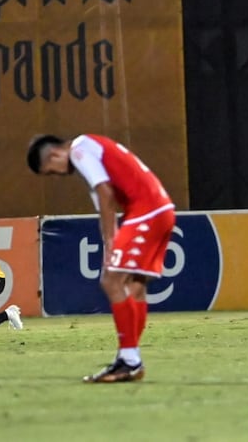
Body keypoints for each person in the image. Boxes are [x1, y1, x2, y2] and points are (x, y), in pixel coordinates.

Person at [27, 134, 175, 382]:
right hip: (162, 209)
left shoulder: (79, 149)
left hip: (145, 211)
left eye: (51, 171)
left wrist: (110, 242)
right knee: (135, 287)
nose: (58, 175)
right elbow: (104, 196)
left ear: (53, 155)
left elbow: (105, 194)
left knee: (111, 280)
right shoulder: (91, 148)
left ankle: (129, 360)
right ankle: (129, 358)